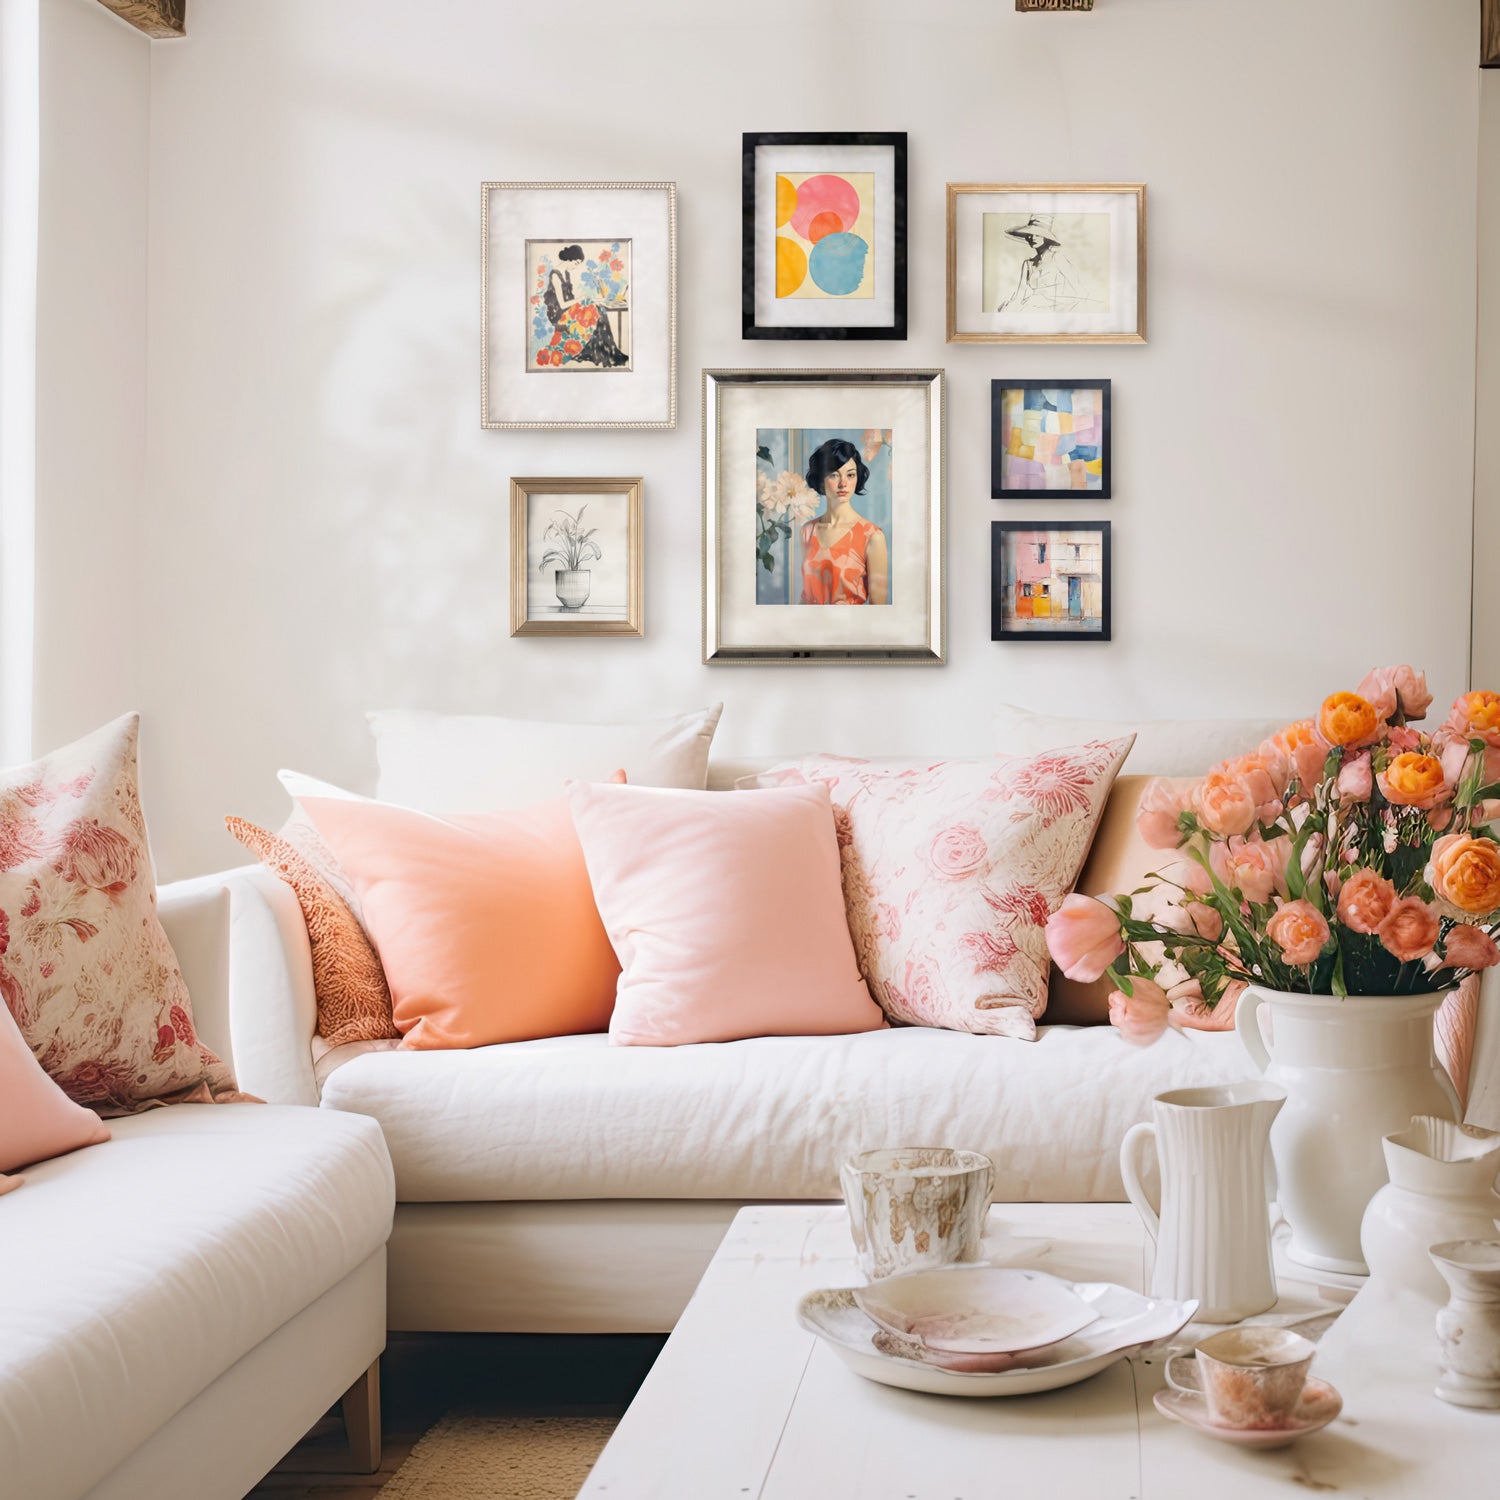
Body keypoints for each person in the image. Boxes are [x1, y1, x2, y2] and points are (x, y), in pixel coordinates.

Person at [799, 438, 889, 605]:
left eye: (850, 475)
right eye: (834, 475)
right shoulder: (807, 531)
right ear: (821, 479)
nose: (843, 483)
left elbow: (878, 609)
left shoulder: (872, 536)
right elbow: (805, 598)